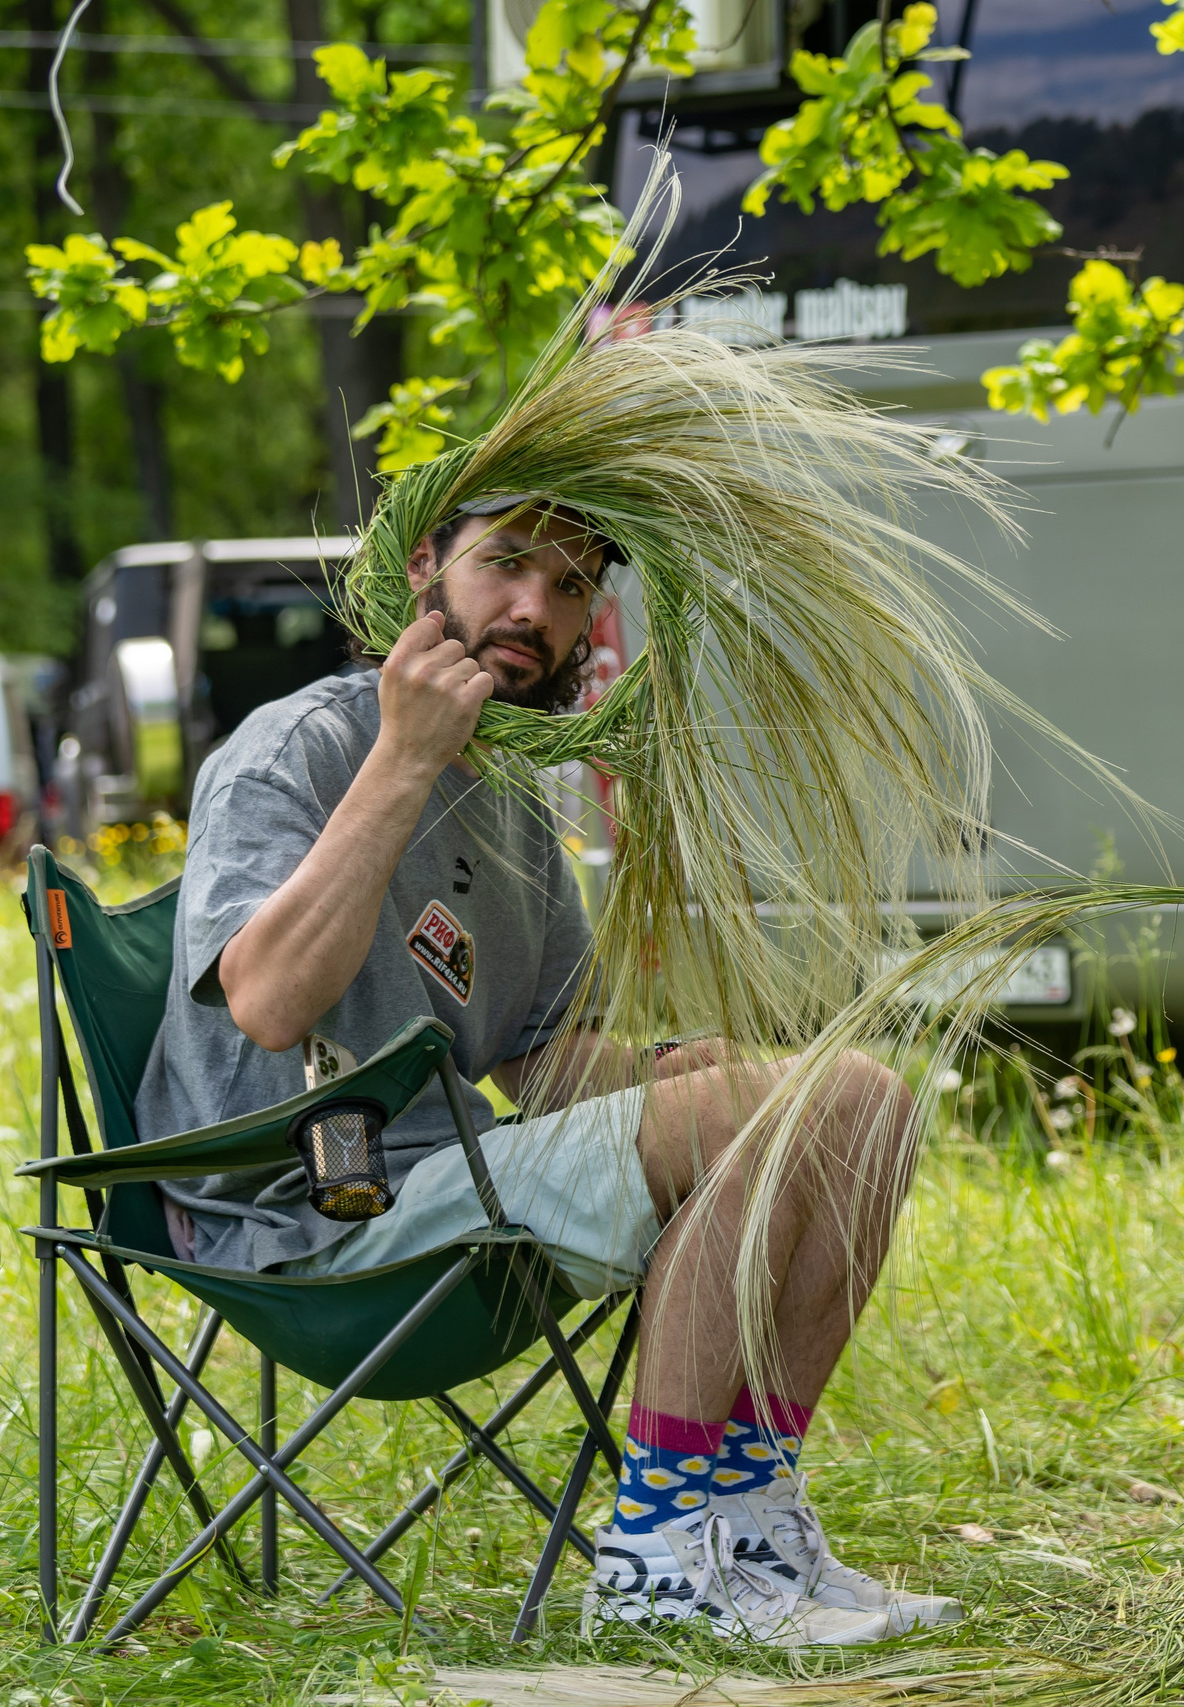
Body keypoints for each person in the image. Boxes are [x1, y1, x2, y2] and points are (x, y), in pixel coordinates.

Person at [133, 496, 956, 1644]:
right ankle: (654, 1559)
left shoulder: (512, 805)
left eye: (571, 587)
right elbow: (271, 1005)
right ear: (423, 567)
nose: (535, 609)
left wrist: (675, 1067)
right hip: (303, 1218)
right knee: (745, 1119)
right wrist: (403, 762)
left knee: (867, 1099)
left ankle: (749, 1517)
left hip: (457, 1179)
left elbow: (540, 1057)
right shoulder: (297, 749)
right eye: (506, 565)